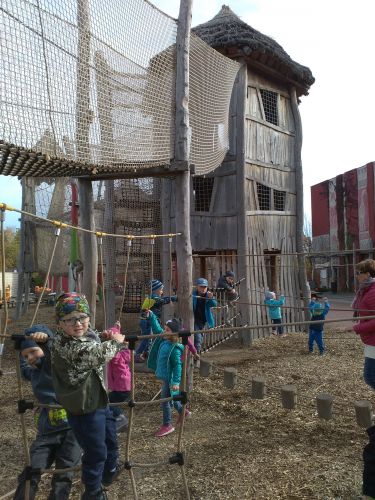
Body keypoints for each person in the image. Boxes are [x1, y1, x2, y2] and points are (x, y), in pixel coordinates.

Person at [51, 292, 126, 500]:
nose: (78, 324)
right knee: (95, 452)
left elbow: (90, 341)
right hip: (84, 408)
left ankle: (109, 472)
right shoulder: (67, 345)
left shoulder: (81, 336)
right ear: (60, 324)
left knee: (111, 440)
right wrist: (116, 341)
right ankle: (93, 493)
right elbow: (97, 354)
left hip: (99, 400)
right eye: (70, 320)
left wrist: (100, 337)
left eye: (82, 317)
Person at [14, 325, 81, 500]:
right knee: (30, 472)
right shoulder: (33, 371)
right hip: (46, 433)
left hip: (71, 431)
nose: (30, 358)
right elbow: (24, 368)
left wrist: (47, 340)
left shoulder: (56, 364)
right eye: (26, 355)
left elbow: (56, 352)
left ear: (44, 347)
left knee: (63, 475)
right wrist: (19, 345)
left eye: (33, 352)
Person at [350, 259, 375, 499]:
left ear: (368, 273)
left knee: (370, 377)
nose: (356, 275)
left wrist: (357, 328)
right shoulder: (365, 290)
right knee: (370, 376)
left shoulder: (374, 291)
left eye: (360, 271)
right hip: (370, 342)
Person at [147, 312, 193, 437]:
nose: (164, 331)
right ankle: (183, 411)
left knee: (165, 400)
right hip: (165, 376)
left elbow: (178, 366)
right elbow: (157, 329)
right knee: (172, 398)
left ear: (174, 333)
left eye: (167, 330)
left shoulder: (175, 348)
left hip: (170, 378)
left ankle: (167, 425)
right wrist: (151, 316)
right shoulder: (165, 338)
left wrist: (176, 383)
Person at [135, 279, 177, 362]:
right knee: (147, 338)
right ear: (156, 290)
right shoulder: (153, 298)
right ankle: (137, 354)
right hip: (147, 322)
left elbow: (162, 299)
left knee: (150, 338)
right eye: (161, 290)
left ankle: (146, 354)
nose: (162, 292)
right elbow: (162, 301)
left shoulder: (152, 297)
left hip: (146, 321)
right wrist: (172, 298)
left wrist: (171, 298)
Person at [106, 323, 131, 433]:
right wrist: (117, 328)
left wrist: (113, 341)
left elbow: (112, 355)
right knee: (109, 401)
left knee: (107, 402)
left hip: (121, 386)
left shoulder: (117, 356)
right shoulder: (124, 352)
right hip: (124, 386)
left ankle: (121, 418)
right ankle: (116, 418)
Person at [192, 278, 217, 353]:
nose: (203, 289)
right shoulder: (193, 295)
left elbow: (213, 304)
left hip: (203, 320)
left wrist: (211, 298)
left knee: (200, 338)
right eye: (201, 287)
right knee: (197, 338)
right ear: (197, 287)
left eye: (205, 287)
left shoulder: (208, 295)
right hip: (194, 319)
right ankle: (197, 355)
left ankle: (196, 353)